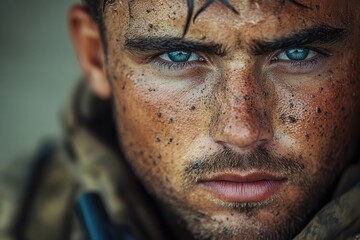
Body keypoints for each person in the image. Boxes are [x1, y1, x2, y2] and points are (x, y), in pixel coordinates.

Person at [1, 0, 359, 239]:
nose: (241, 132)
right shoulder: (17, 216)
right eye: (178, 55)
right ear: (96, 55)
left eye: (298, 53)